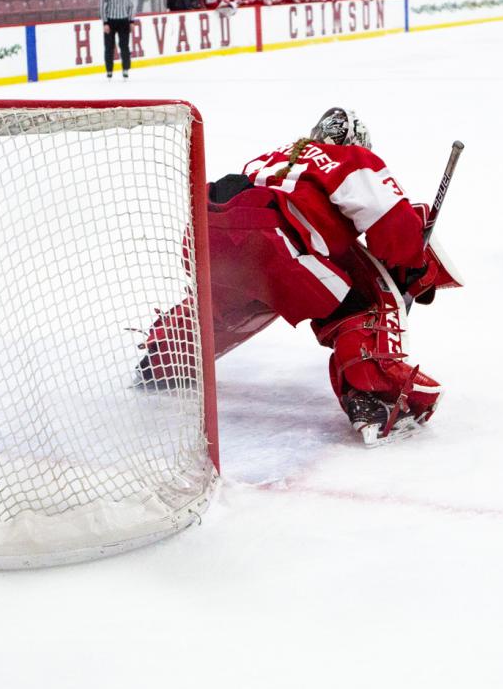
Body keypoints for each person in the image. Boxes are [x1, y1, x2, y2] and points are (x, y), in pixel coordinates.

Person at [136, 108, 460, 445]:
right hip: (271, 239)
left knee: (234, 303)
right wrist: (413, 262)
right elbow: (391, 219)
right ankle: (375, 398)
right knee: (360, 306)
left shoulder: (279, 156)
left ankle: (164, 356)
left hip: (208, 233)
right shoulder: (350, 157)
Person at [99, 0, 137, 79]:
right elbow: (102, 7)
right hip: (110, 21)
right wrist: (105, 23)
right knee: (109, 47)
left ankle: (125, 69)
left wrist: (131, 20)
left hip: (124, 21)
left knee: (124, 46)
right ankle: (109, 70)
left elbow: (131, 5)